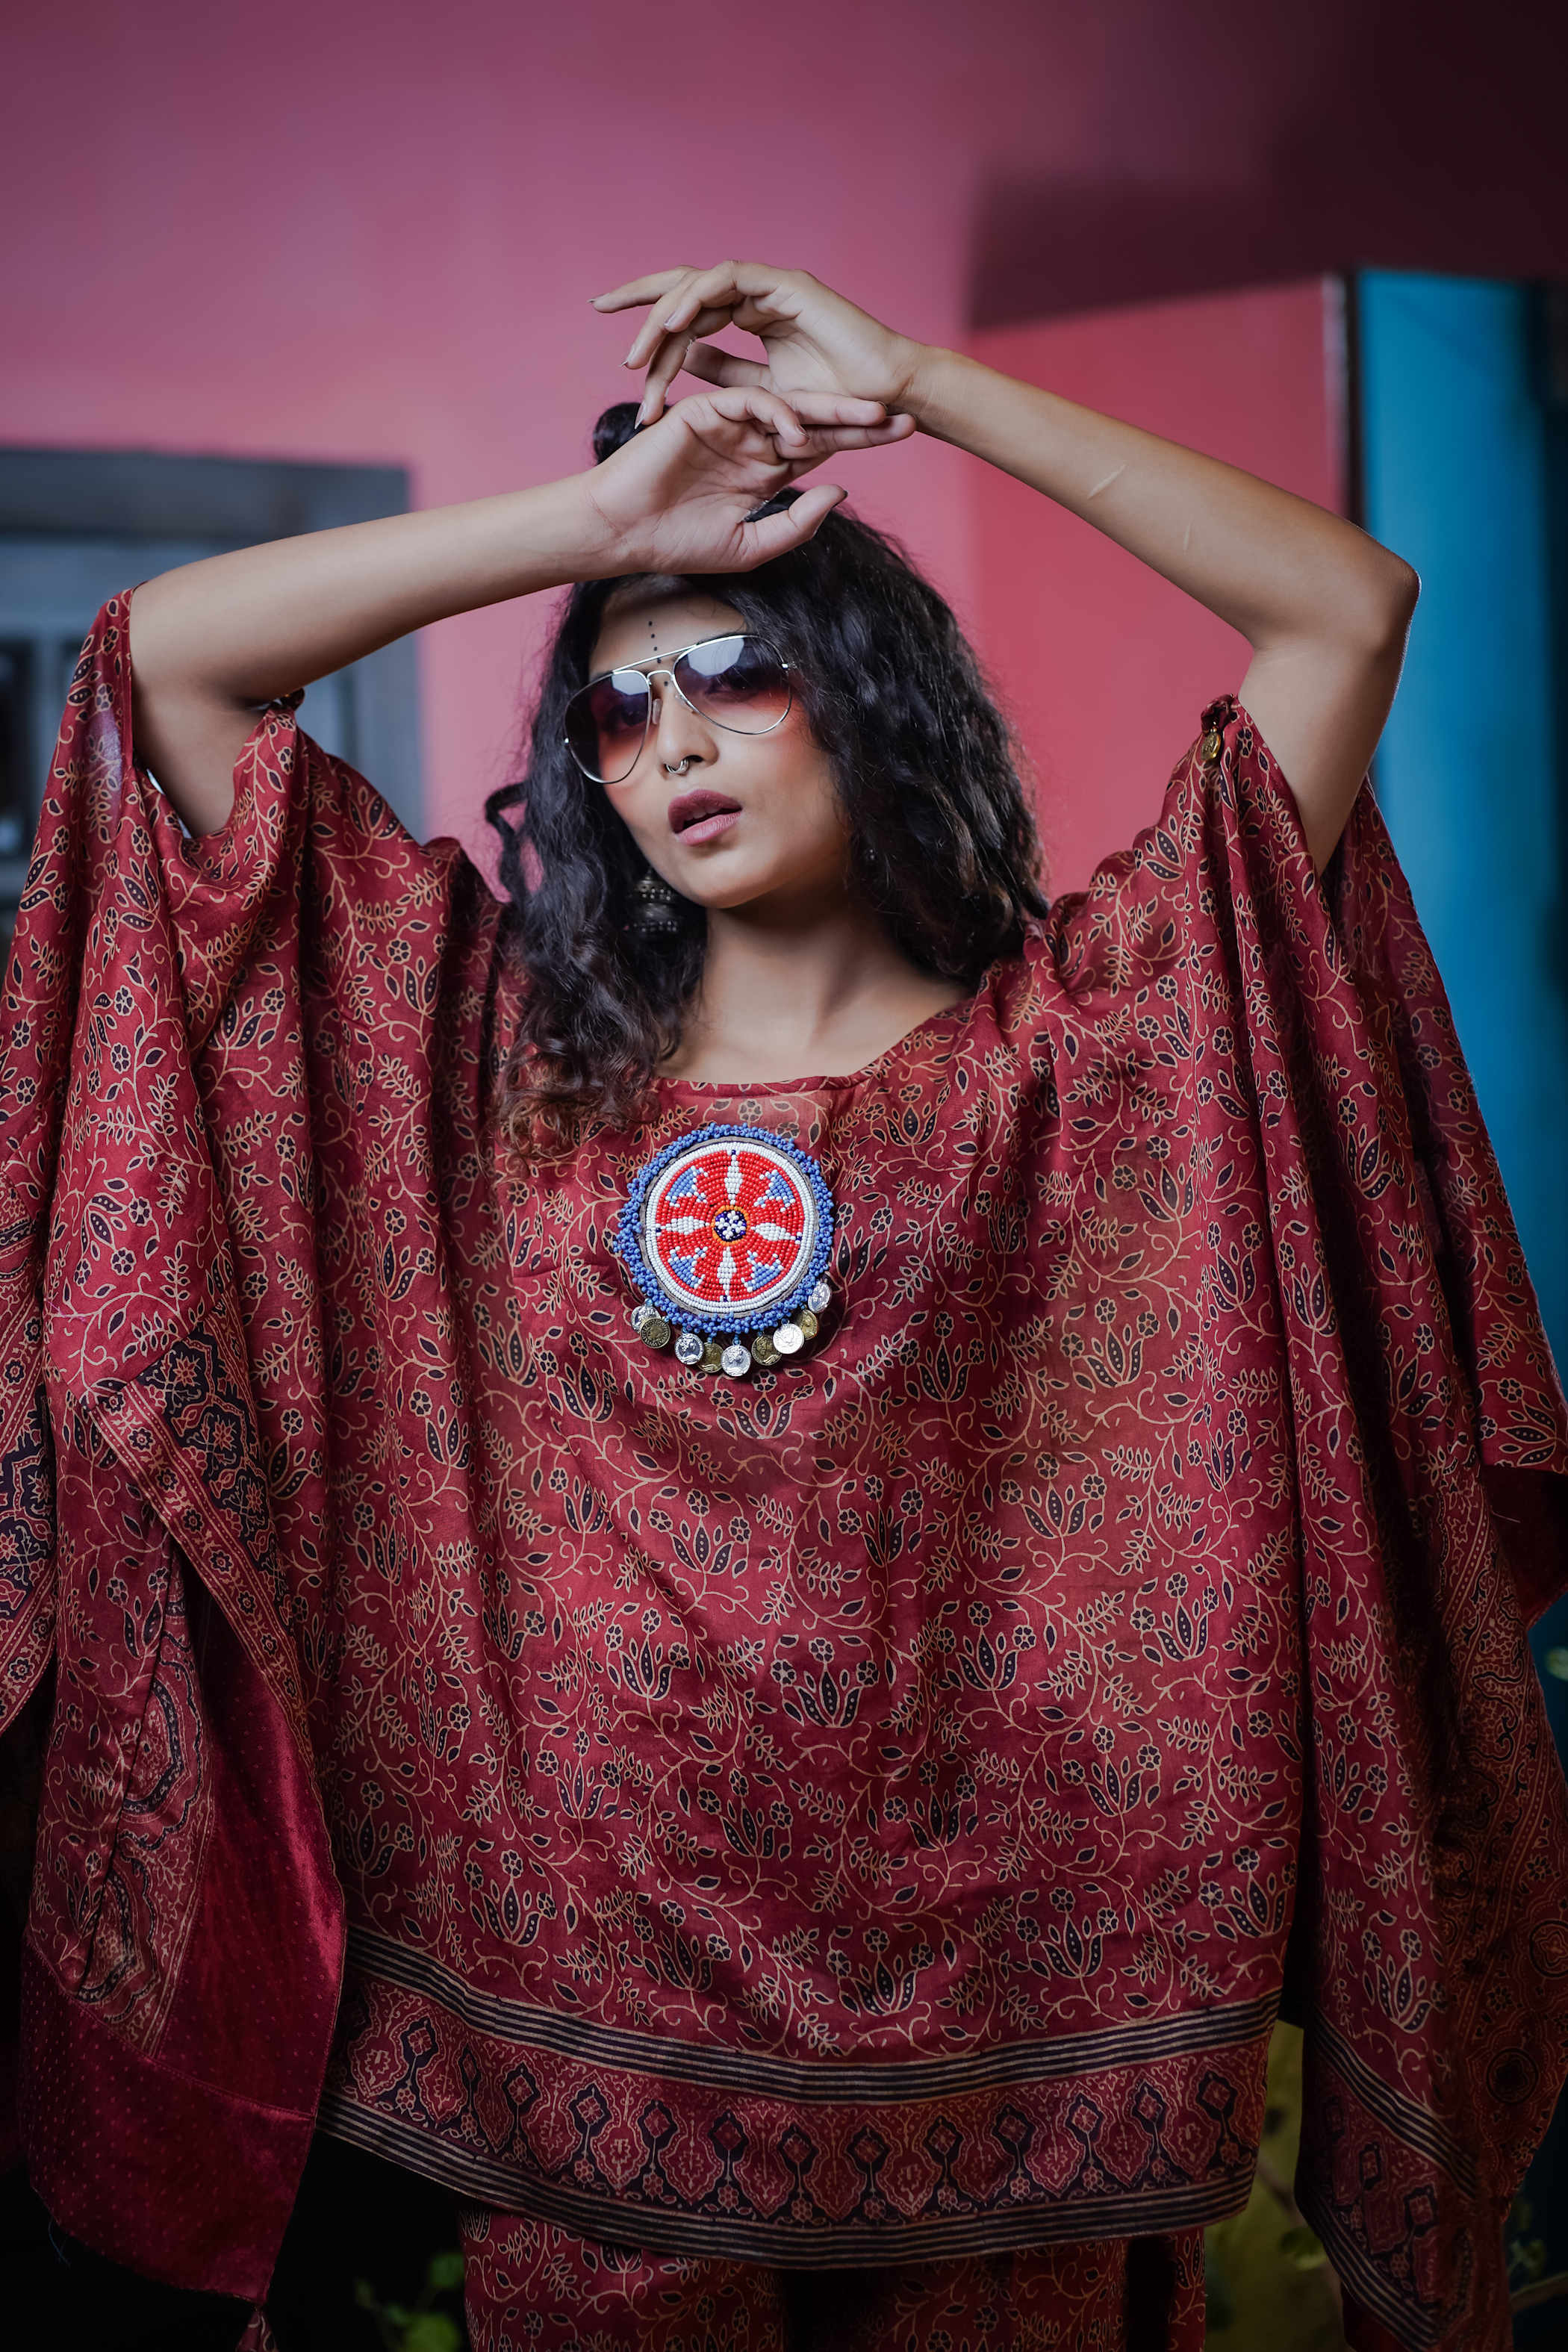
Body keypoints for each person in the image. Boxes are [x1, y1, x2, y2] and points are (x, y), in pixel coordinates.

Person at [2, 262, 1565, 2352]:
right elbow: (162, 675)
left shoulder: (1092, 1053)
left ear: (869, 687)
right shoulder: (488, 1075)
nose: (668, 743)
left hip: (1021, 2059)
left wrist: (914, 388)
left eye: (731, 671)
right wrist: (610, 533)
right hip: (588, 2053)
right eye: (615, 711)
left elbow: (1344, 613)